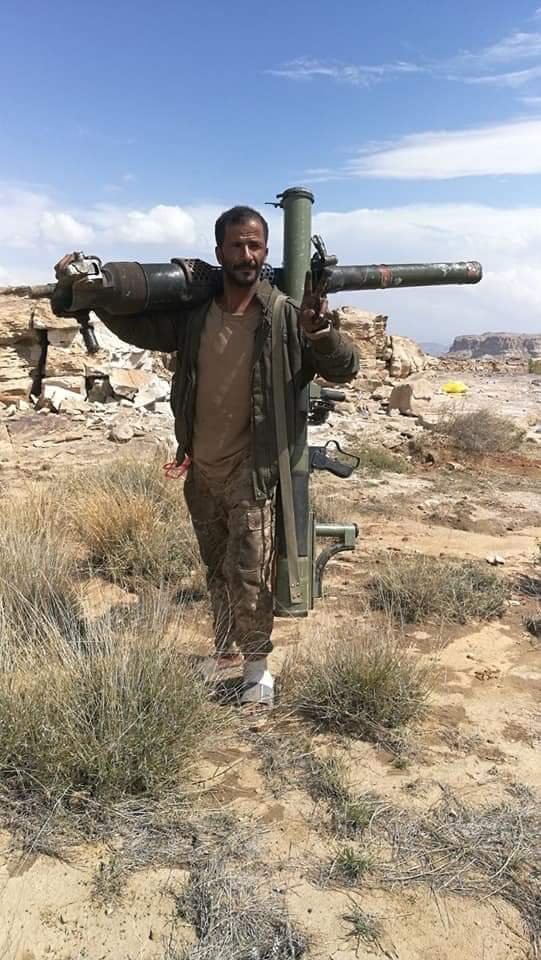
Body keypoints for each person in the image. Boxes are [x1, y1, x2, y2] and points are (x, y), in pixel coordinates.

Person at [55, 206, 359, 708]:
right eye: (237, 245)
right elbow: (136, 329)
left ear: (266, 251)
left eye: (255, 245)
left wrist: (320, 333)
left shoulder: (285, 317)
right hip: (202, 470)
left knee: (248, 573)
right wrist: (93, 294)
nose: (247, 255)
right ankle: (224, 651)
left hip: (251, 471)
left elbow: (345, 367)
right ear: (220, 252)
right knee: (216, 569)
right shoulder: (195, 317)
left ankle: (256, 671)